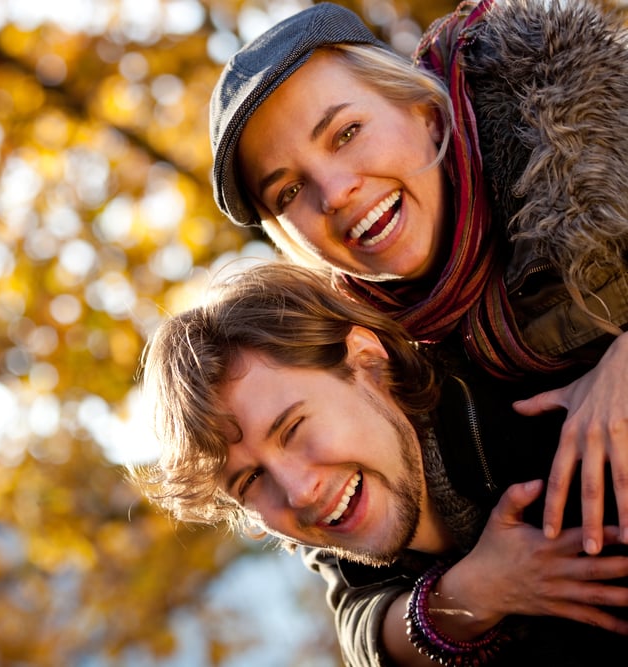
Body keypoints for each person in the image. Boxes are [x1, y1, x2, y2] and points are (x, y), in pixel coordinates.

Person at [208, 0, 628, 559]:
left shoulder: (597, 133)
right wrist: (457, 603)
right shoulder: (360, 358)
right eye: (288, 191)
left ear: (424, 111)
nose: (333, 193)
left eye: (346, 132)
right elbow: (352, 587)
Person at [131, 260, 628, 666]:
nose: (299, 492)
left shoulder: (553, 421)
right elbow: (359, 632)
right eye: (251, 479)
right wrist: (474, 594)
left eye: (293, 429)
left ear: (368, 360)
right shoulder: (344, 552)